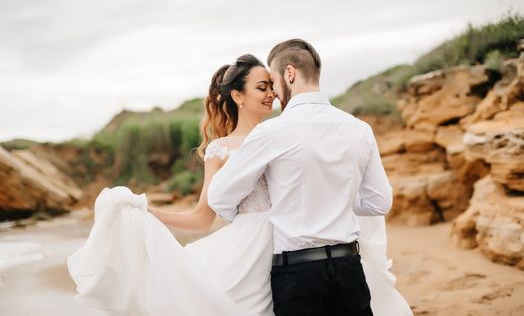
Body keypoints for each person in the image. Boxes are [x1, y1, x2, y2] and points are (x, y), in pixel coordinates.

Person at [67, 50, 412, 316]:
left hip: (294, 247)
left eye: (272, 86)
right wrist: (146, 211)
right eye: (262, 87)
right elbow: (204, 217)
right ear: (237, 96)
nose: (272, 94)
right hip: (248, 253)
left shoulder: (286, 136)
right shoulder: (221, 150)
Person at [207, 39, 412, 315]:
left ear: (289, 74)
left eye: (274, 81)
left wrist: (253, 219)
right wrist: (335, 199)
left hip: (298, 275)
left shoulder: (272, 132)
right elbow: (379, 202)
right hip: (350, 269)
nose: (275, 93)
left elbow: (219, 197)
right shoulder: (359, 129)